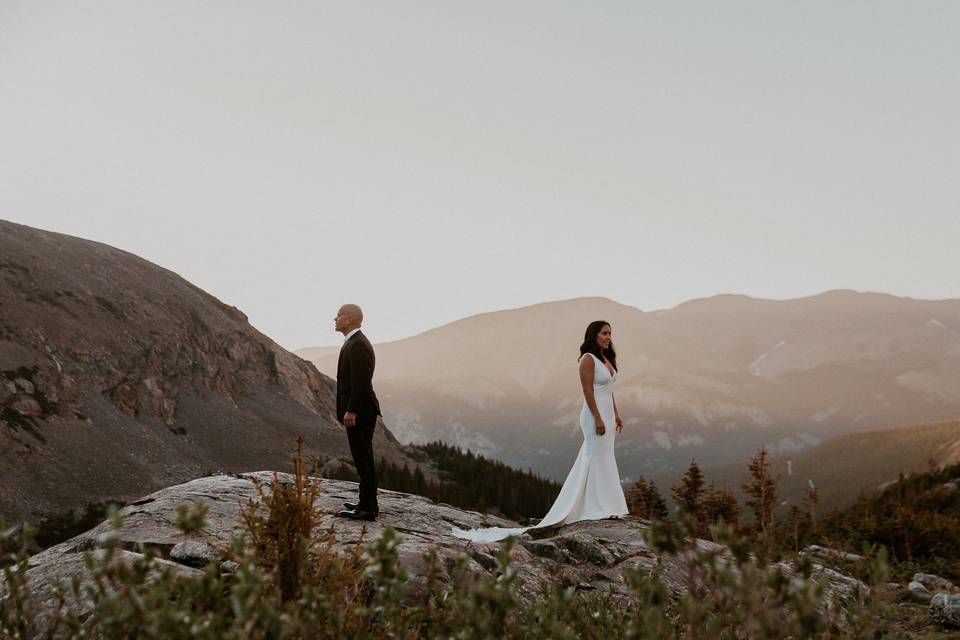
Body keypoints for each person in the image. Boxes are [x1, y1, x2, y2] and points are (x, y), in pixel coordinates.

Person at [452, 320, 629, 542]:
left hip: (608, 416)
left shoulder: (607, 358)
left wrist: (616, 414)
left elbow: (609, 390)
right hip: (594, 416)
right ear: (593, 335)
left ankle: (607, 504)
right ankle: (596, 506)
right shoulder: (588, 359)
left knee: (604, 457)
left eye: (610, 333)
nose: (608, 337)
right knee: (596, 456)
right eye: (604, 333)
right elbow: (587, 391)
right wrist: (598, 418)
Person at [333, 303, 382, 521]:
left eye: (339, 315)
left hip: (360, 412)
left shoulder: (358, 345)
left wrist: (351, 410)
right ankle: (365, 502)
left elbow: (360, 383)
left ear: (350, 319)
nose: (335, 318)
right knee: (362, 457)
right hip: (361, 410)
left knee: (363, 458)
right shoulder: (353, 342)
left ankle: (368, 508)